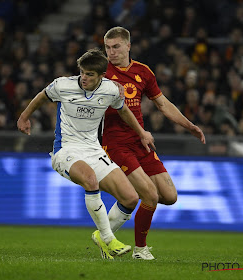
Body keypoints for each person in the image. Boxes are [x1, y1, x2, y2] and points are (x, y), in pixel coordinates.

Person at [17, 48, 156, 259]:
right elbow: (42, 97)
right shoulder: (63, 85)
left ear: (102, 76)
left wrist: (141, 133)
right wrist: (24, 117)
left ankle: (101, 236)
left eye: (90, 74)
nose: (84, 78)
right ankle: (109, 240)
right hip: (66, 149)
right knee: (90, 180)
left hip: (93, 149)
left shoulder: (110, 90)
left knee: (130, 198)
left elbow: (123, 110)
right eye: (82, 72)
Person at [101, 26, 206, 260]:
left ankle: (106, 231)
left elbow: (163, 104)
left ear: (128, 46)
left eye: (116, 46)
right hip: (115, 143)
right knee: (149, 195)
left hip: (141, 142)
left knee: (169, 196)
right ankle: (139, 249)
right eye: (107, 48)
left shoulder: (143, 72)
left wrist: (189, 126)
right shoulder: (100, 72)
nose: (111, 52)